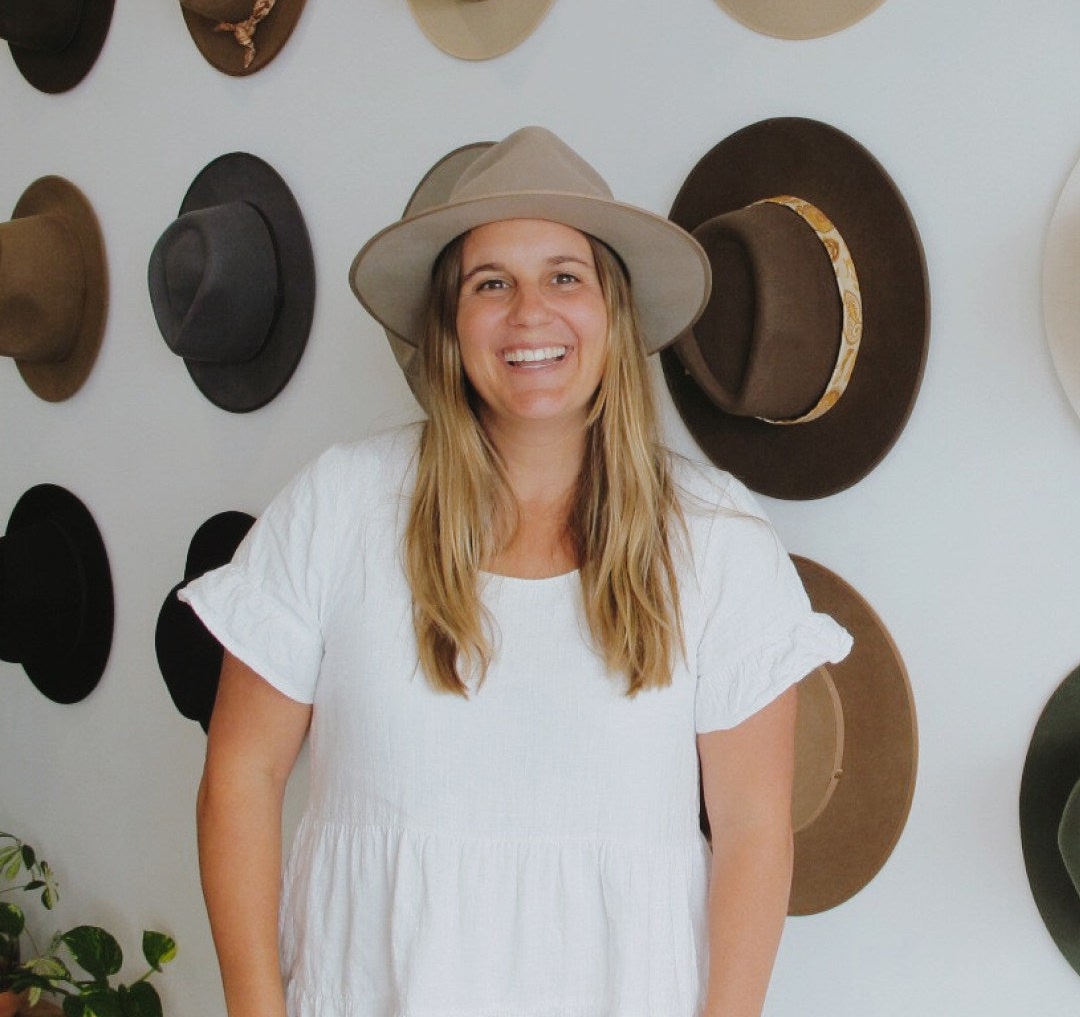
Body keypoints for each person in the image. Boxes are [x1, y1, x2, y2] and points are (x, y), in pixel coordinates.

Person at [184, 126, 852, 1017]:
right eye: (489, 283)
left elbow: (754, 834)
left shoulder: (717, 538)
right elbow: (242, 774)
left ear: (613, 311)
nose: (529, 313)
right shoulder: (341, 504)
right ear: (450, 325)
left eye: (563, 276)